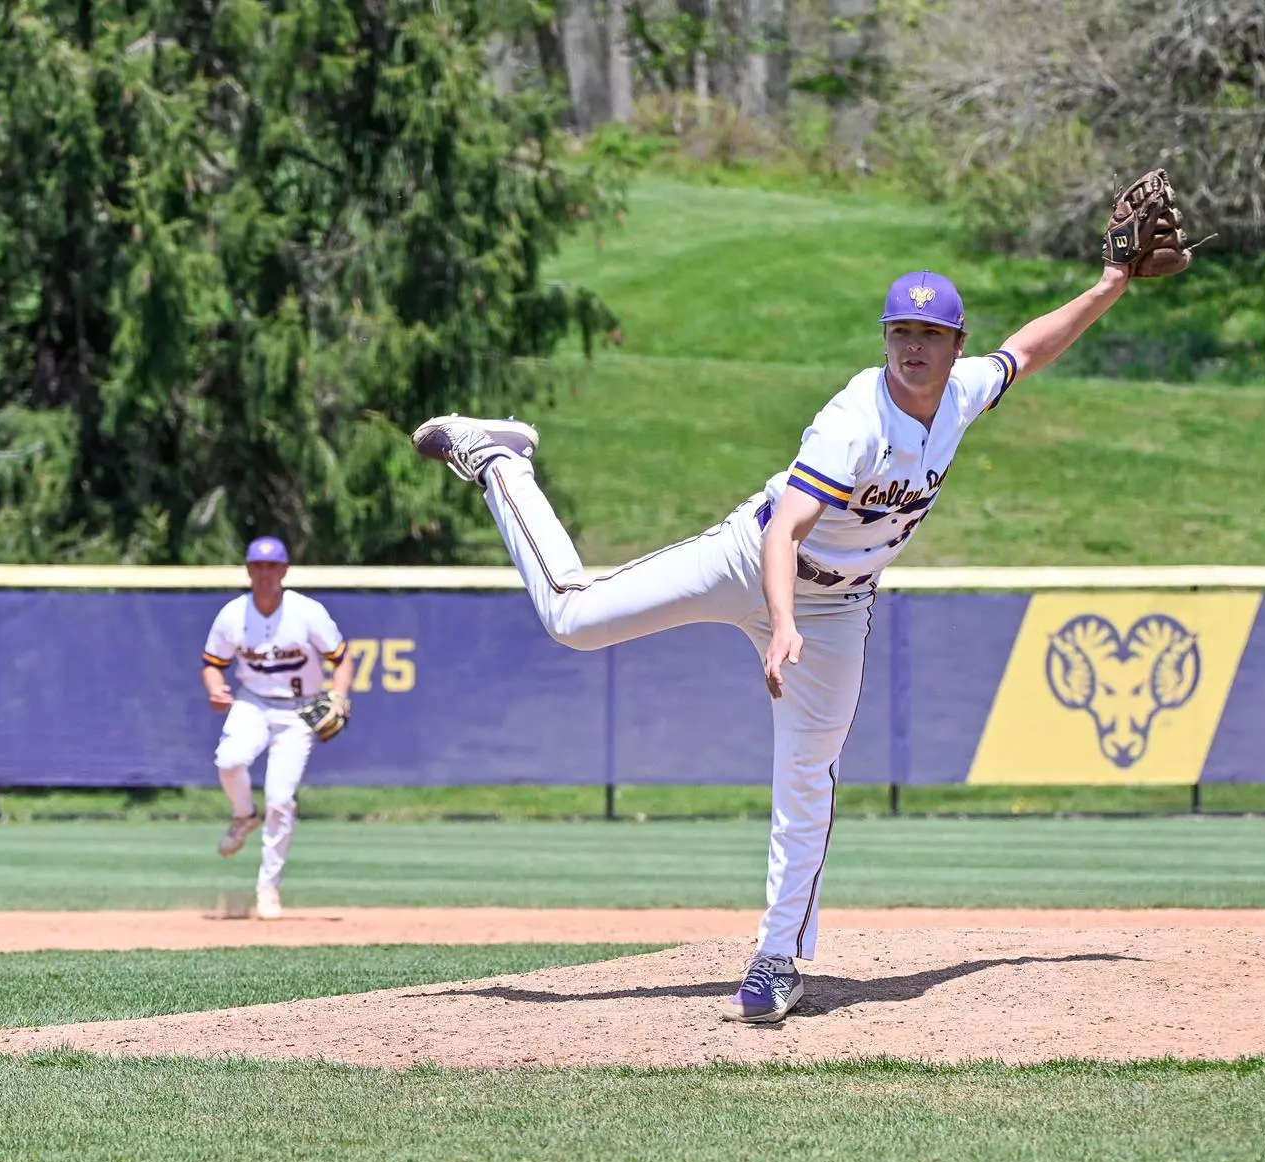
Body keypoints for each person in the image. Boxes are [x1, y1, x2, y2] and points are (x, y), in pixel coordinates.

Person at [413, 262, 1141, 1020]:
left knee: (808, 775)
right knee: (573, 618)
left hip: (838, 604)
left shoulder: (962, 393)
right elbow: (788, 528)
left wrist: (1112, 281)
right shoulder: (855, 420)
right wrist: (782, 620)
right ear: (885, 339)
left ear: (957, 345)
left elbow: (1029, 348)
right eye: (901, 332)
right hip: (752, 558)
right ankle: (500, 459)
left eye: (930, 334)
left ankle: (775, 958)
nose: (913, 347)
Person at [200, 536, 352, 920]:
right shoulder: (233, 615)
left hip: (299, 711)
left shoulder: (307, 612)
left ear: (284, 571)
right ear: (249, 571)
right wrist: (215, 687)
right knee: (229, 760)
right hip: (253, 701)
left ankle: (268, 887)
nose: (265, 573)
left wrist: (339, 696)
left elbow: (342, 657)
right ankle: (244, 815)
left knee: (281, 800)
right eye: (258, 566)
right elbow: (213, 663)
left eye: (272, 566)